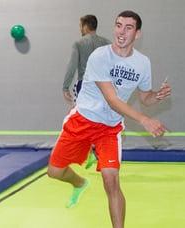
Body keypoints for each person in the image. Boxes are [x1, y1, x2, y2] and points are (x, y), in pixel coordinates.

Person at [47, 11, 171, 228]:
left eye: (128, 27)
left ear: (138, 33)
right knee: (54, 172)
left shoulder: (142, 63)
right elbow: (112, 99)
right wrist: (144, 120)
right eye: (118, 25)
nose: (121, 32)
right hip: (83, 120)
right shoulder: (100, 56)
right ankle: (79, 182)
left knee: (111, 180)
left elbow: (145, 98)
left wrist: (156, 96)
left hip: (109, 129)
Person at [62, 14, 111, 169]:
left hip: (85, 85)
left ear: (85, 26)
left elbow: (72, 65)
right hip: (103, 86)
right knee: (102, 120)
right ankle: (102, 156)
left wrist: (65, 86)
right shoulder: (106, 44)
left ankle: (88, 151)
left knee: (82, 119)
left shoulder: (79, 43)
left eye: (80, 26)